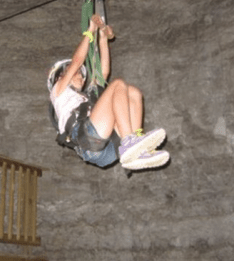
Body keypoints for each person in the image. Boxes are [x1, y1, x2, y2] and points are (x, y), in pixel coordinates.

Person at [48, 15, 170, 170]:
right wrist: (90, 31)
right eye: (75, 73)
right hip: (86, 137)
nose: (79, 74)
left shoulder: (86, 98)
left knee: (133, 92)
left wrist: (103, 39)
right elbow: (77, 61)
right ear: (60, 77)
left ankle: (136, 147)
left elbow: (103, 73)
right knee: (118, 84)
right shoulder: (58, 91)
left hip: (107, 148)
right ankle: (129, 141)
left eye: (80, 73)